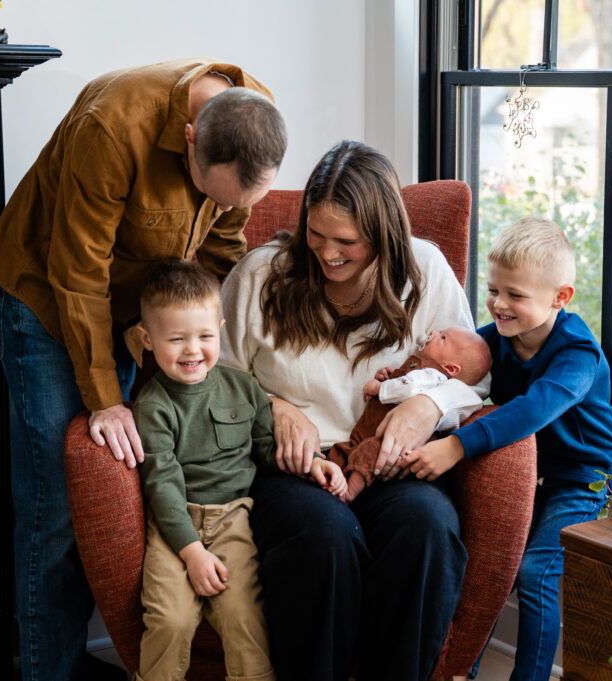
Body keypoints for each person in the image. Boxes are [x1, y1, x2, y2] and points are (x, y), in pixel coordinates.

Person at [0, 58, 287, 681]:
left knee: (135, 483)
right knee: (57, 504)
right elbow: (78, 276)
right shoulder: (112, 128)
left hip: (143, 315)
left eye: (236, 203)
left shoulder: (253, 117)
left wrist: (209, 345)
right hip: (47, 299)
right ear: (191, 138)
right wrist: (106, 399)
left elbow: (223, 251)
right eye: (215, 196)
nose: (224, 209)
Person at [219, 139, 487, 681]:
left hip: (389, 461)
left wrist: (429, 404)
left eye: (347, 241)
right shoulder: (260, 275)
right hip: (294, 466)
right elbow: (212, 379)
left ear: (384, 235)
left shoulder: (426, 270)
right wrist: (272, 405)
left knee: (428, 527)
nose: (328, 253)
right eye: (316, 234)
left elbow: (477, 379)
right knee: (325, 536)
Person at [405, 217, 612, 681]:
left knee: (535, 572)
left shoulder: (577, 354)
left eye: (515, 295)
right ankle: (460, 669)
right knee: (489, 564)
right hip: (529, 475)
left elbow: (531, 410)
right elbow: (450, 375)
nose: (499, 304)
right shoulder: (492, 340)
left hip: (582, 480)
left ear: (560, 297)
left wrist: (456, 447)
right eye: (493, 290)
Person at [131, 260, 344, 681]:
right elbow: (162, 485)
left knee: (244, 616)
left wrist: (314, 464)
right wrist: (192, 552)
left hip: (234, 520)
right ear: (147, 339)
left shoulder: (243, 388)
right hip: (175, 524)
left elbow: (267, 449)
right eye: (176, 339)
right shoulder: (153, 405)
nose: (193, 350)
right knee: (171, 620)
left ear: (221, 330)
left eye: (205, 336)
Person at [328, 326, 491, 503]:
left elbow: (409, 388)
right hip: (371, 432)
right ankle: (330, 476)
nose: (433, 333)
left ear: (451, 368)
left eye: (443, 338)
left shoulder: (433, 375)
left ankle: (349, 492)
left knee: (368, 454)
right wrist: (389, 376)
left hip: (389, 440)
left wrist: (381, 387)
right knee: (347, 450)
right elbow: (404, 382)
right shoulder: (420, 370)